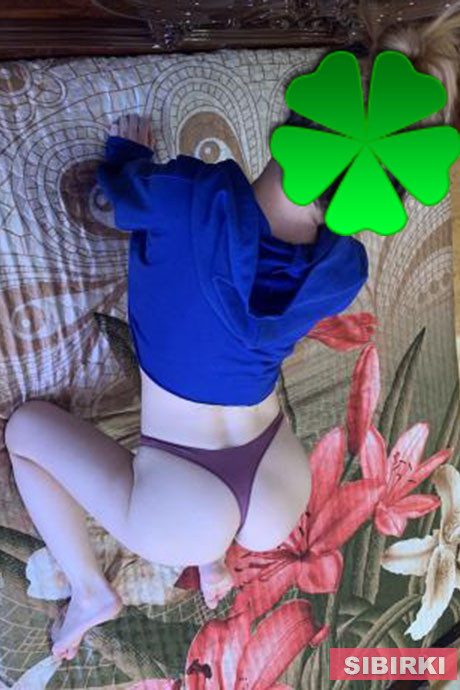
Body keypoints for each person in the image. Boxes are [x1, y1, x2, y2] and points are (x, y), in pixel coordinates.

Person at [3, 2, 460, 663]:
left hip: (216, 489)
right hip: (273, 488)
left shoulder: (193, 195)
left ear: (290, 120)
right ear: (381, 194)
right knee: (207, 436)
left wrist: (128, 153)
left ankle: (90, 589)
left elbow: (121, 193)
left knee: (24, 431)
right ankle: (214, 555)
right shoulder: (343, 268)